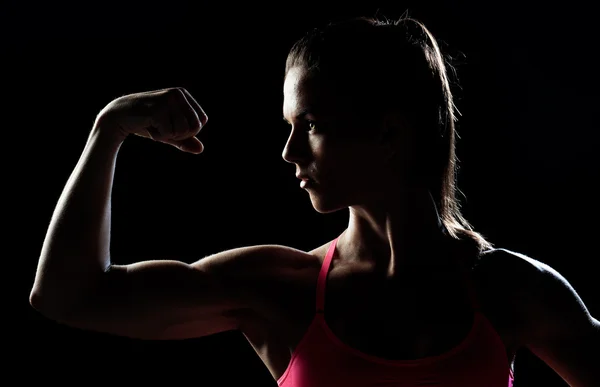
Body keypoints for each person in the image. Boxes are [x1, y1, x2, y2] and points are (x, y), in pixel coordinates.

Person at [29, 16, 598, 387]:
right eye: (289, 126)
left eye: (312, 124)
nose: (288, 151)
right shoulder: (281, 288)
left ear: (389, 133)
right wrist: (110, 130)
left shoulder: (513, 290)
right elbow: (68, 296)